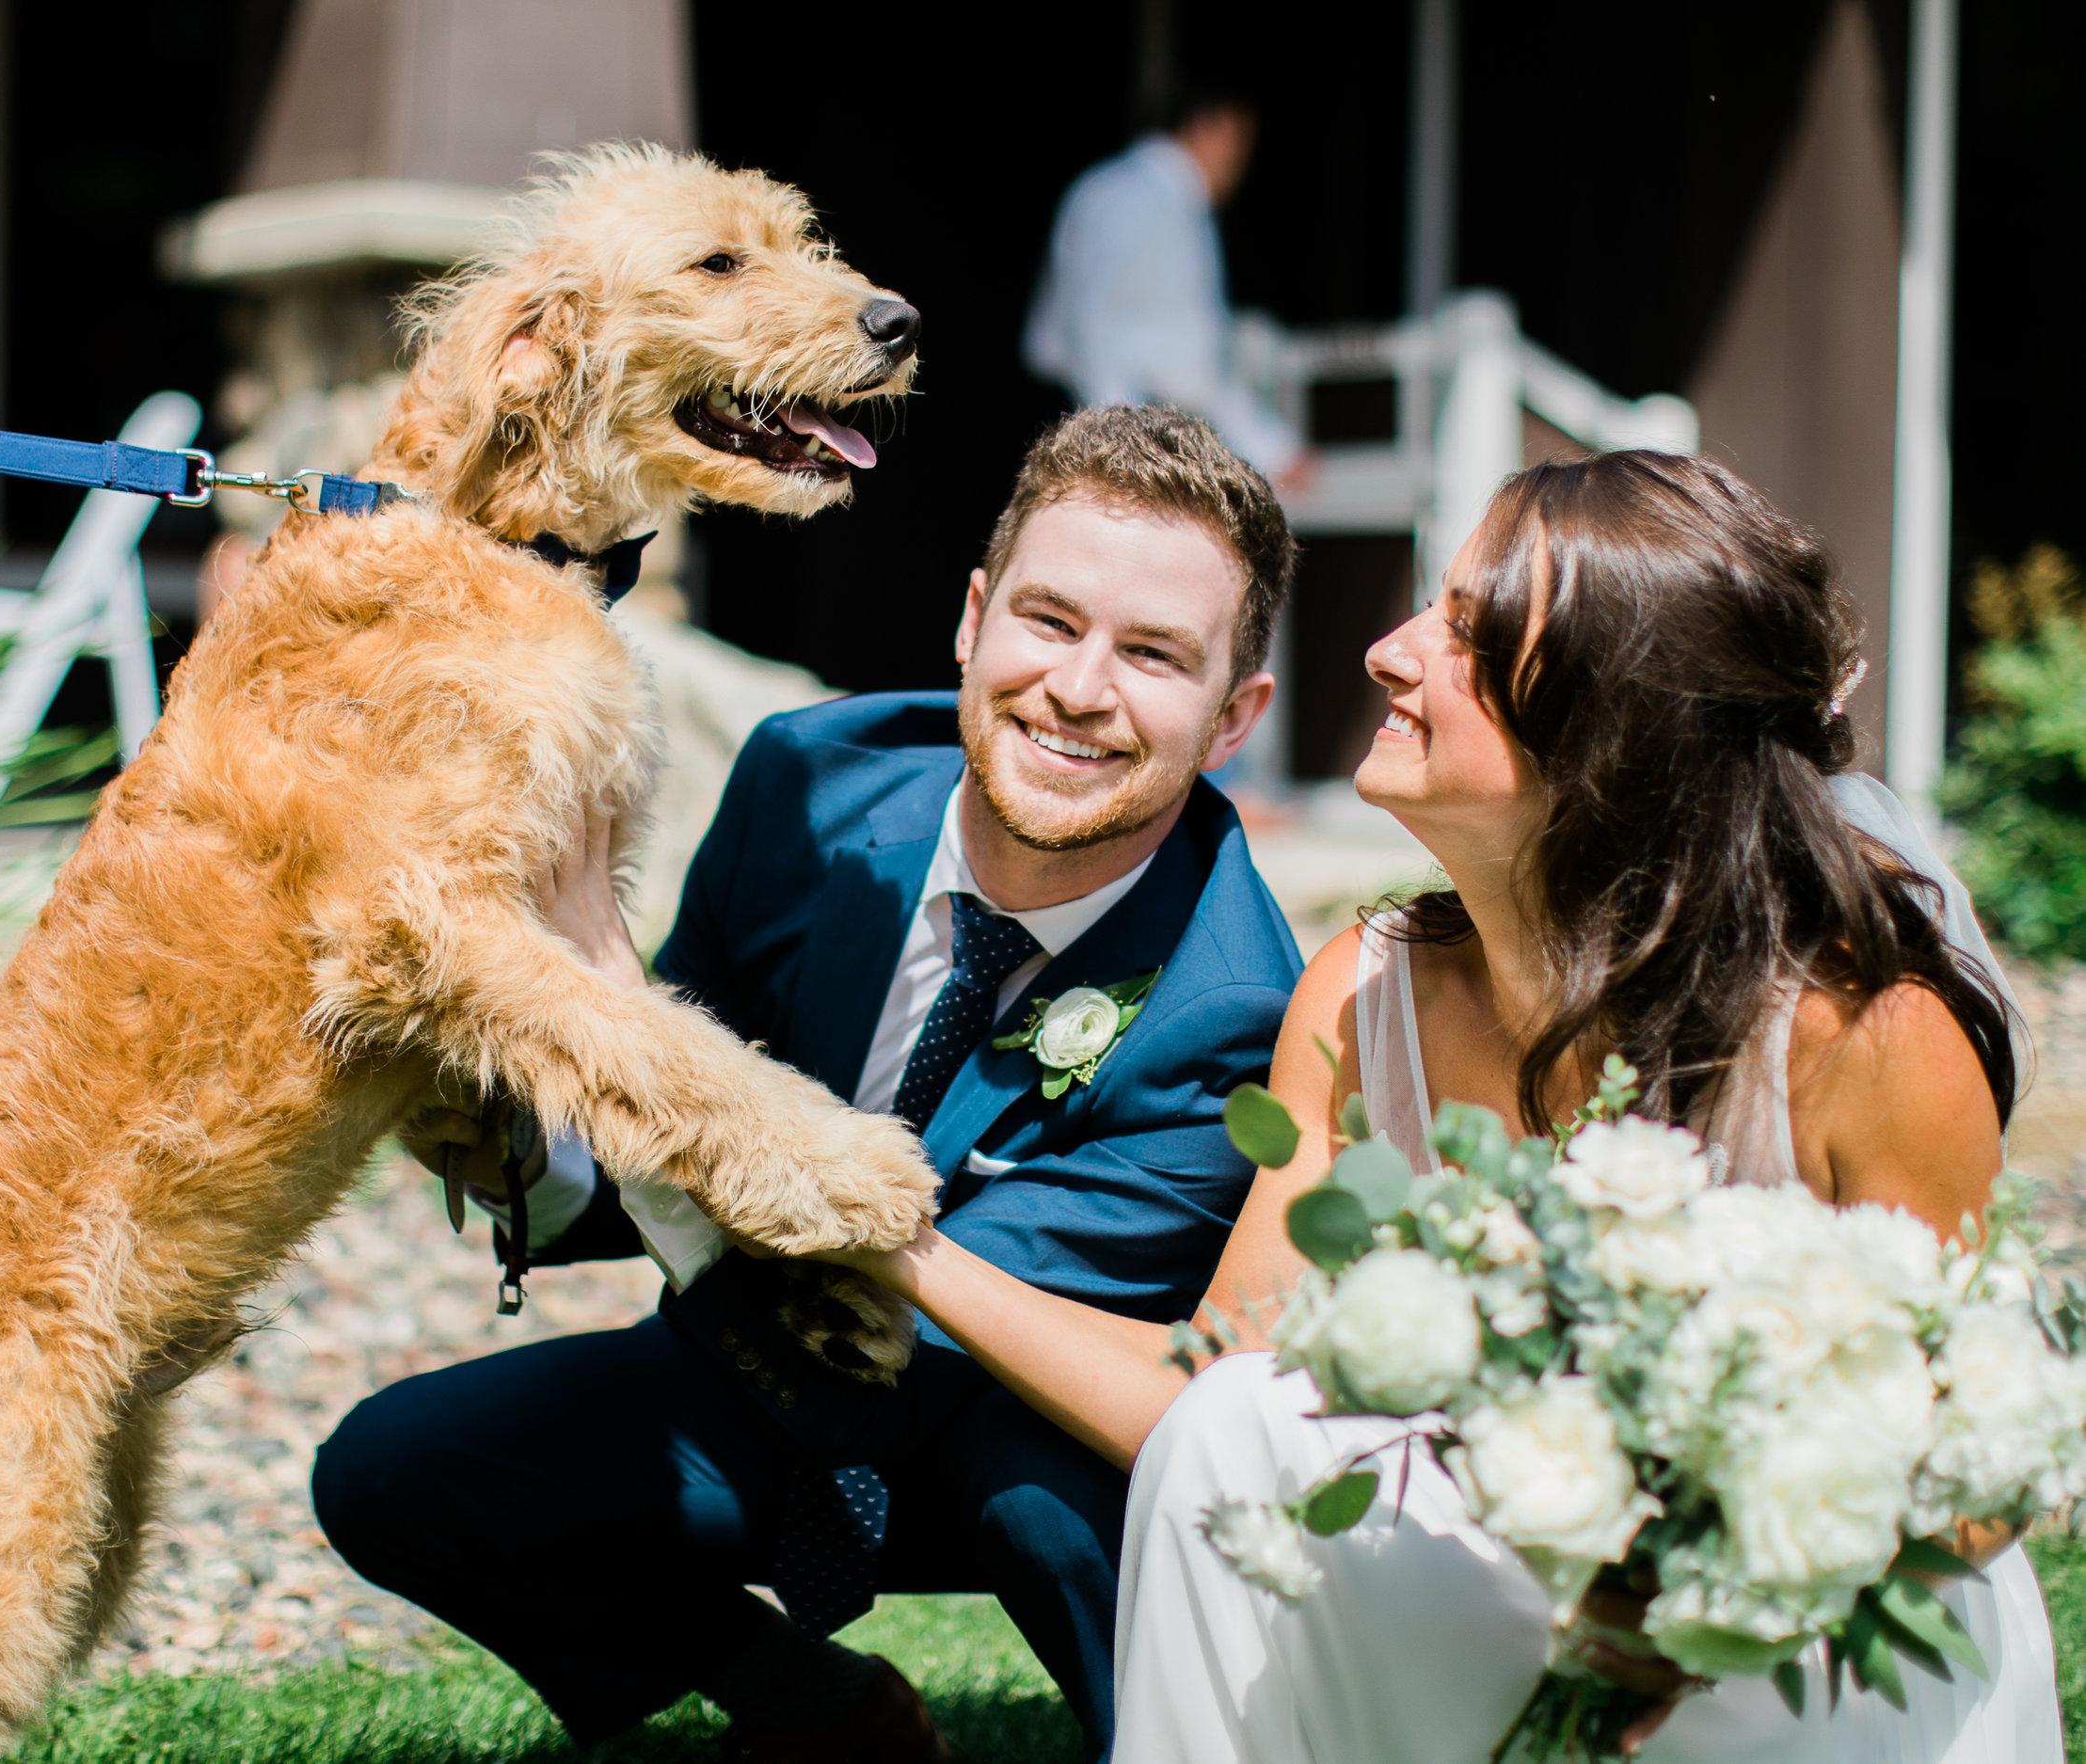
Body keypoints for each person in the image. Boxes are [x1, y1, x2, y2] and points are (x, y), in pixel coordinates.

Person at [800, 450, 2058, 1762]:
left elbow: (1981, 1475)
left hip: (1807, 1640)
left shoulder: (1858, 1031)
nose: (1391, 654)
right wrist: (899, 1239)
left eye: (1465, 632)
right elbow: (1209, 1390)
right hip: (1506, 1592)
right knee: (1240, 1424)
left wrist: (1695, 1561)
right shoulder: (1361, 994)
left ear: (1610, 726)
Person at [310, 405, 1304, 1763]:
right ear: (971, 616)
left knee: (1056, 1498)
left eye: (1153, 654)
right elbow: (653, 1138)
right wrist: (520, 1106)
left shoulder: (1236, 1005)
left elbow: (843, 1289)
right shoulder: (806, 782)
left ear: (1237, 712)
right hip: (748, 1386)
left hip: (1001, 1429)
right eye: (1049, 619)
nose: (1078, 687)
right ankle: (806, 1698)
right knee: (395, 1473)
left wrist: (613, 987)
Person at [1026, 91, 1310, 493]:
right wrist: (1118, 444)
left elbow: (1195, 359)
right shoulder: (1125, 195)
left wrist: (1274, 448)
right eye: (1239, 141)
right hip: (1095, 421)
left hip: (1138, 427)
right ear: (1209, 129)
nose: (1241, 161)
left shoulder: (1182, 204)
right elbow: (1087, 323)